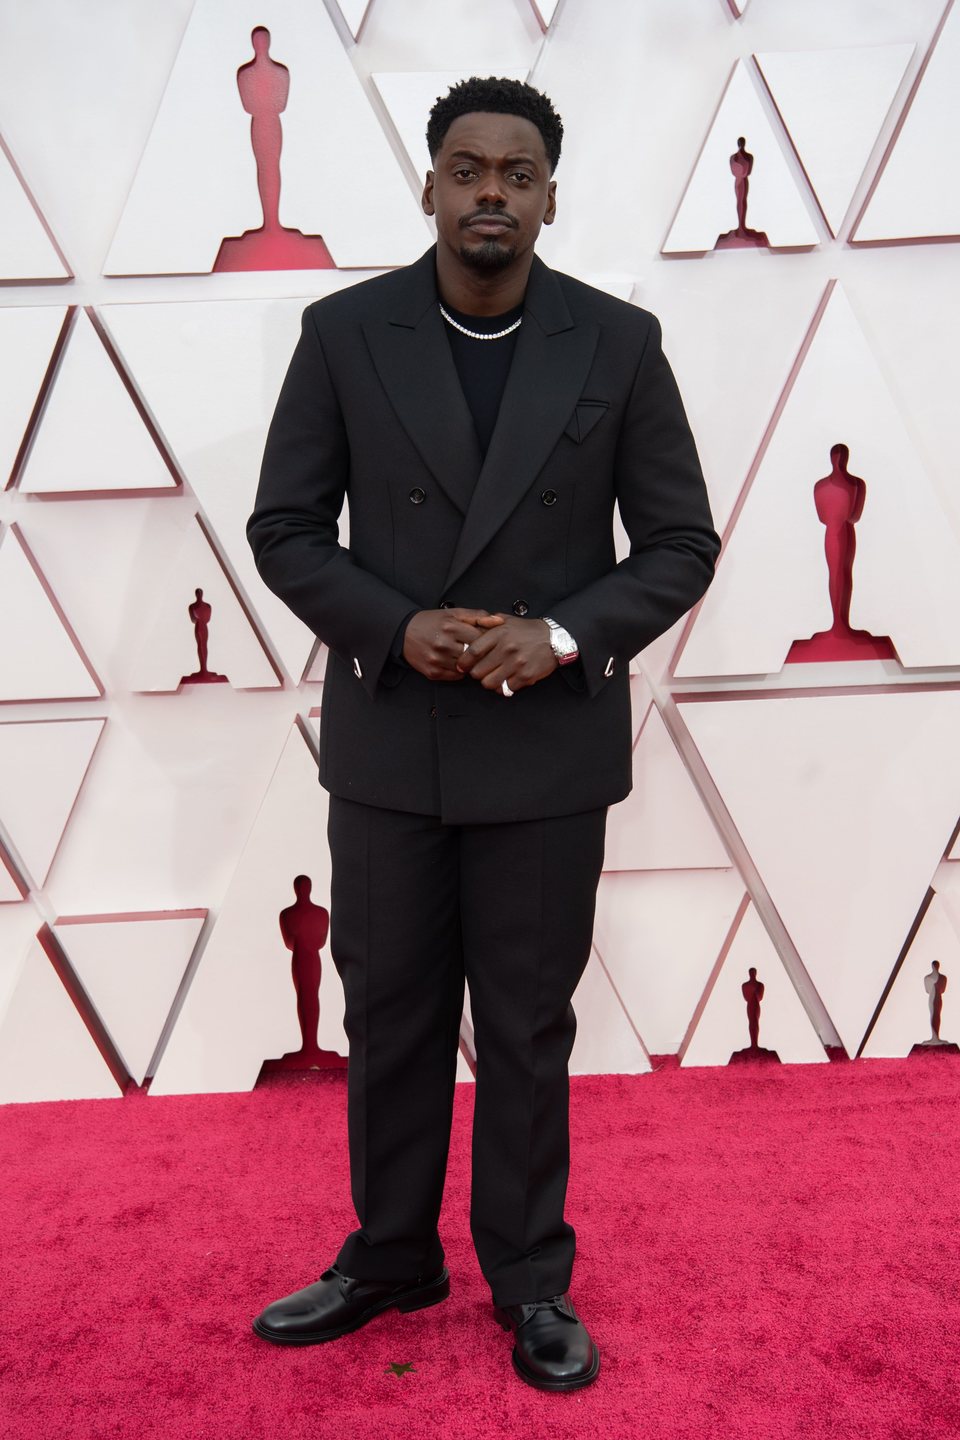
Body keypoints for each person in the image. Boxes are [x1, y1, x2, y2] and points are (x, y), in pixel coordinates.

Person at [246, 76, 719, 1391]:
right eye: (468, 169)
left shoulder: (616, 346)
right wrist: (397, 627)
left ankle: (531, 1282)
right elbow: (285, 530)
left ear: (550, 197)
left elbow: (679, 543)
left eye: (518, 173)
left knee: (524, 1025)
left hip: (546, 748)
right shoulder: (344, 334)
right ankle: (390, 1255)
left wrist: (561, 633)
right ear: (431, 187)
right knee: (388, 1012)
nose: (492, 193)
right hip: (395, 736)